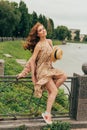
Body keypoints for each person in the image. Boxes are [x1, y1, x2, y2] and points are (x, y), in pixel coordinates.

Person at [17, 22, 67, 124]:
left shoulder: (49, 42)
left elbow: (51, 58)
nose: (43, 30)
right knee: (54, 91)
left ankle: (50, 93)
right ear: (38, 34)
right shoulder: (38, 46)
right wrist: (24, 73)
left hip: (49, 68)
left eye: (43, 28)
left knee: (64, 76)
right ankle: (47, 114)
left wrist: (56, 55)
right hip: (42, 71)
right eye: (40, 30)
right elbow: (32, 60)